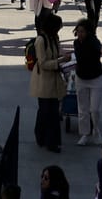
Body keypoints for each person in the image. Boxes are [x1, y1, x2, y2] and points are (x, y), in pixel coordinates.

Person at [29, 8, 67, 151]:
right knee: (47, 112)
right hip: (44, 82)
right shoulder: (41, 41)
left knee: (51, 112)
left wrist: (64, 58)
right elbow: (43, 63)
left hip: (53, 80)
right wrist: (60, 61)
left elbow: (57, 53)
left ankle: (48, 139)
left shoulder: (54, 38)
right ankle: (46, 140)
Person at [72, 19, 102, 144]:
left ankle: (96, 129)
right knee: (82, 109)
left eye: (82, 32)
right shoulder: (76, 43)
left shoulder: (94, 42)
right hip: (81, 78)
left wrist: (101, 51)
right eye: (78, 31)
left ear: (88, 32)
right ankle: (85, 134)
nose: (80, 34)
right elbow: (79, 58)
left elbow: (99, 49)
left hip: (96, 78)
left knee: (94, 109)